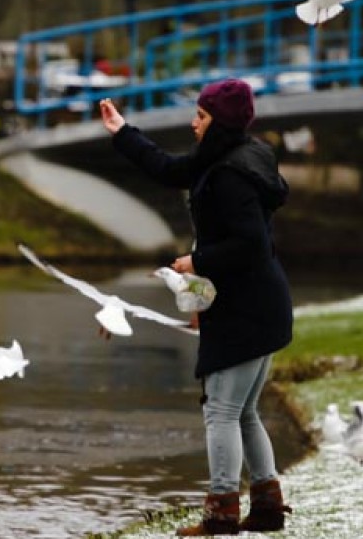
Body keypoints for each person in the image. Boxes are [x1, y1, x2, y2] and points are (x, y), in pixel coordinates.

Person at [99, 79, 293, 536]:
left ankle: (221, 514)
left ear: (219, 123)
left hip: (247, 309)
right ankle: (266, 509)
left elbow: (251, 244)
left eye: (201, 116)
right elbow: (170, 170)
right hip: (258, 303)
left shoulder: (229, 175)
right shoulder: (234, 157)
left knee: (221, 412)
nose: (192, 123)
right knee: (242, 412)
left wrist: (195, 261)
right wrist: (123, 131)